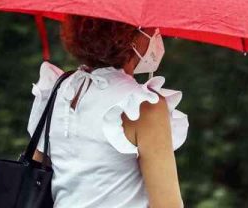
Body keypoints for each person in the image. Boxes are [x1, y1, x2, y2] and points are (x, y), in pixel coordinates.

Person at [27, 15, 187, 208]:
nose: (156, 35)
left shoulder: (58, 89)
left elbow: (38, 168)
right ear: (130, 37)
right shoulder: (144, 105)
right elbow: (167, 204)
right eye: (151, 29)